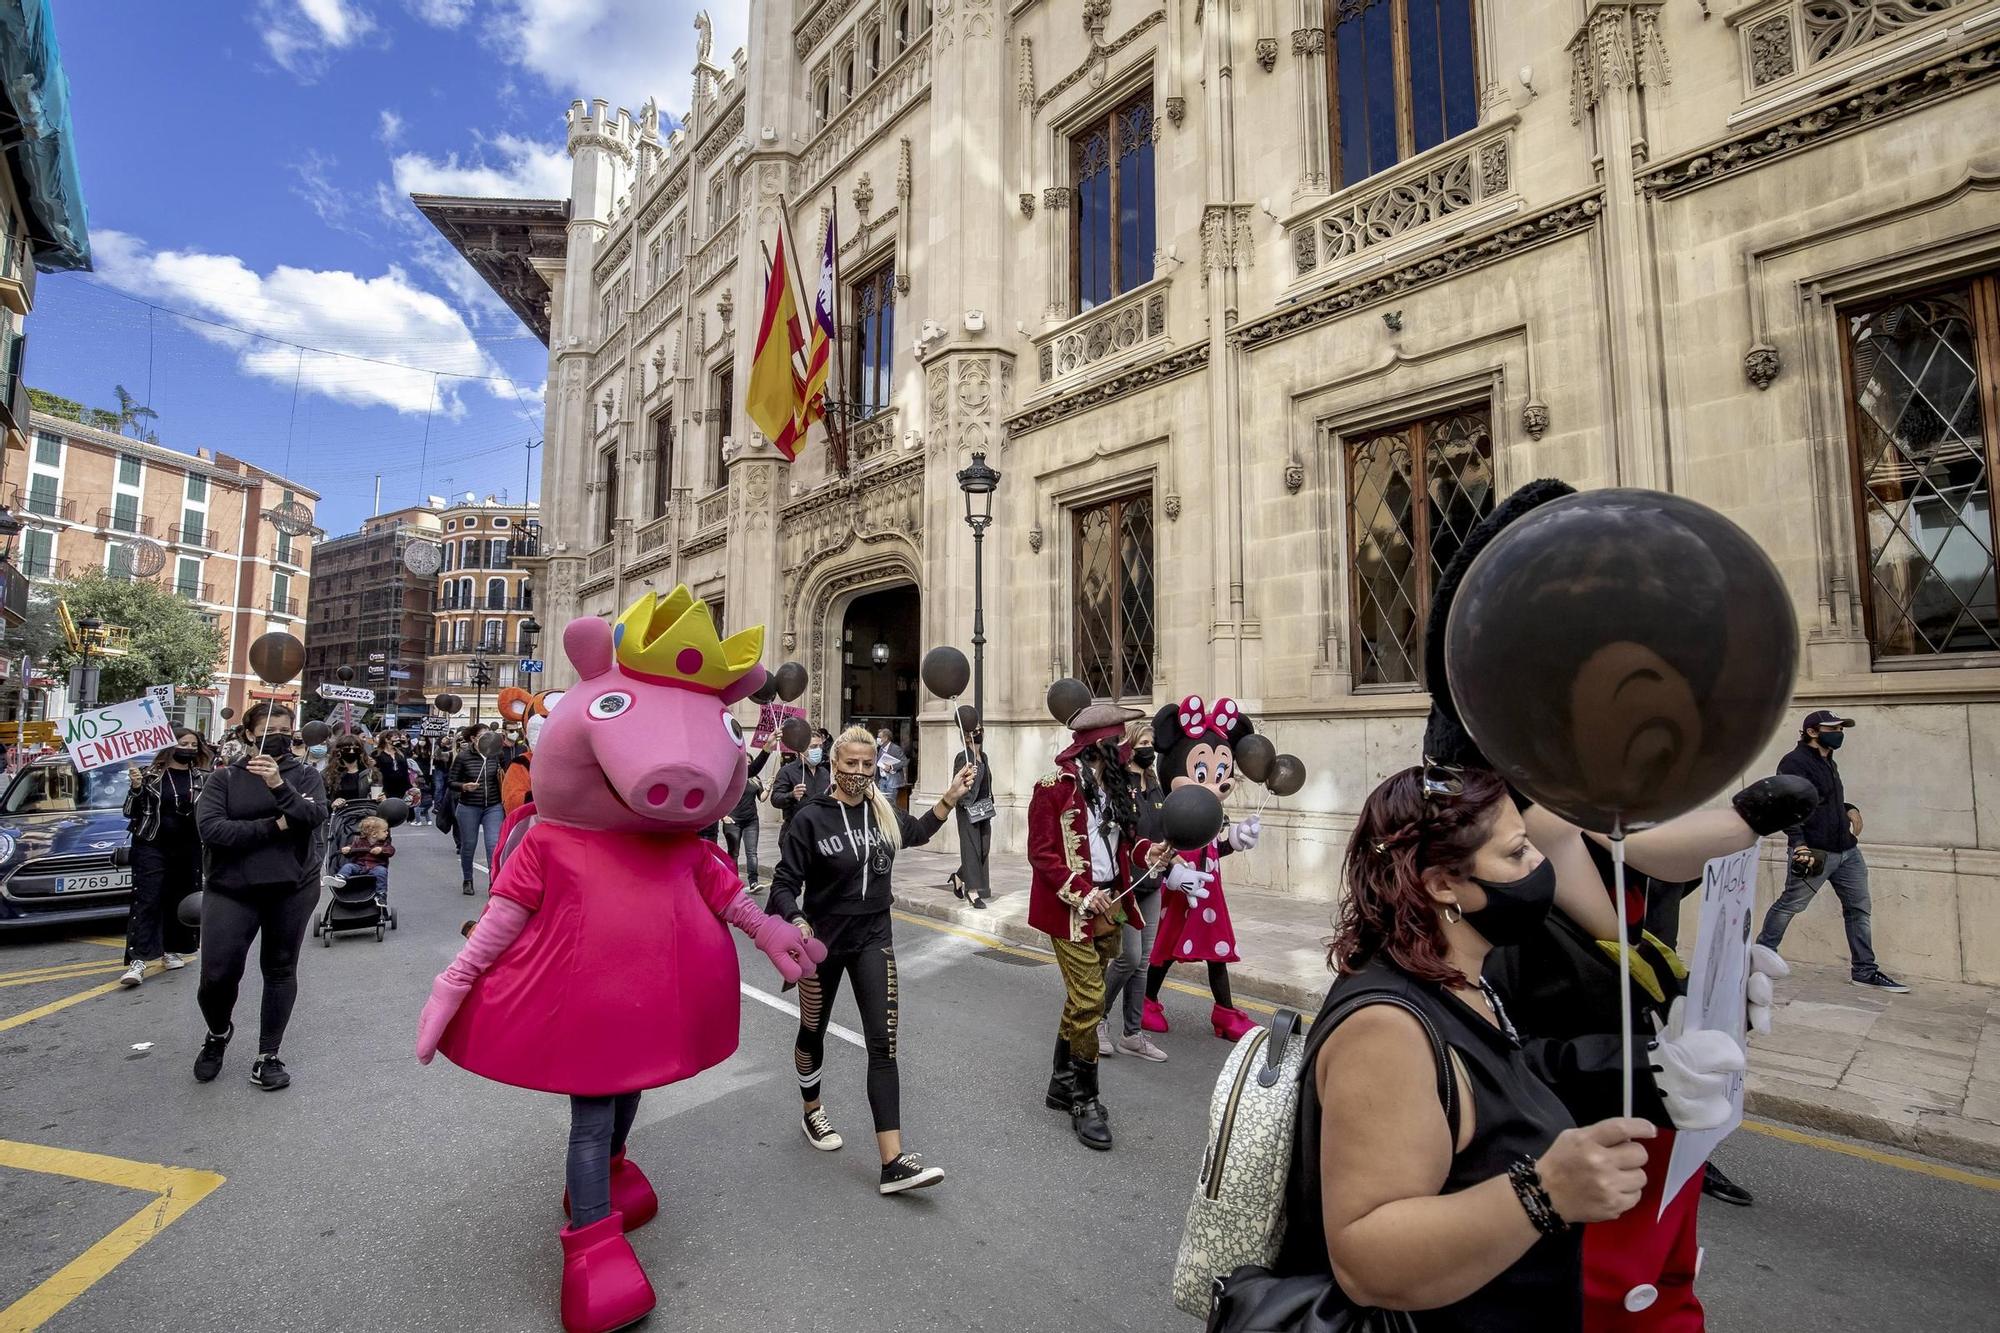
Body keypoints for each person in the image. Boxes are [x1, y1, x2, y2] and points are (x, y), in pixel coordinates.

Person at [416, 587, 824, 1333]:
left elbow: (732, 897)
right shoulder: (549, 840)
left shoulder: (684, 846)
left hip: (652, 1010)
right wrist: (456, 979)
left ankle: (608, 1176)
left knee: (629, 1097)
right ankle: (591, 1244)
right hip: (584, 1012)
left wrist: (771, 932)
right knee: (592, 1114)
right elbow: (503, 917)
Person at [1271, 765, 1656, 1330]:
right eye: (1517, 852)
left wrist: (1654, 1063)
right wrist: (1544, 1194)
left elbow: (1507, 1077)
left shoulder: (1462, 978)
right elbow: (1367, 1259)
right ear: (1443, 883)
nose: (1539, 867)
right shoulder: (1386, 1030)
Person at [767, 725, 977, 1194]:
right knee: (812, 1030)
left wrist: (951, 794)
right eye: (851, 764)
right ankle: (812, 1110)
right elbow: (783, 883)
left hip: (873, 940)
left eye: (867, 765)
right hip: (822, 945)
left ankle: (892, 1161)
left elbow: (918, 831)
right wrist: (796, 918)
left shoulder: (883, 812)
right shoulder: (810, 818)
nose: (859, 773)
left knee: (883, 1043)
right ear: (834, 766)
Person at [1027, 700, 1148, 1150]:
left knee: (1082, 1001)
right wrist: (1082, 892)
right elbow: (1042, 855)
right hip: (1072, 910)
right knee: (1091, 999)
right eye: (1120, 743)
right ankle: (1085, 1100)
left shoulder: (1115, 786)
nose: (1127, 751)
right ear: (1099, 746)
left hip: (1110, 905)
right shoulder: (1052, 787)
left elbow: (1121, 845)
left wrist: (1147, 855)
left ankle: (1061, 1082)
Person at [192, 701, 328, 1091]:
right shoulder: (223, 780)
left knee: (281, 969)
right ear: (249, 734)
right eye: (269, 729)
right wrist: (274, 826)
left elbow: (311, 818)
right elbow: (214, 831)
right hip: (231, 888)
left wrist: (278, 786)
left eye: (285, 730)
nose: (278, 736)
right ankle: (218, 1033)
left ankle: (268, 1054)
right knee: (217, 975)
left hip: (291, 888)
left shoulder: (304, 777)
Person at [1140, 695, 1263, 1042]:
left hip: (1208, 893)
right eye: (1202, 772)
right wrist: (1175, 876)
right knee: (1163, 951)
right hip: (1178, 895)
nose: (1216, 782)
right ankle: (1148, 1001)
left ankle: (1224, 1012)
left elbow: (1211, 849)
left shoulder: (1211, 814)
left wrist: (1235, 840)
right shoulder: (1168, 811)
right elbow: (1157, 852)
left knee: (1215, 951)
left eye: (1222, 772)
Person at [1757, 710, 1906, 993]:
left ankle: (1864, 970)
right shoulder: (1794, 762)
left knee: (1859, 910)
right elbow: (1789, 806)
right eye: (1833, 728)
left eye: (1841, 729)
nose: (1839, 733)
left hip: (1847, 851)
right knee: (1790, 905)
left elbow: (1824, 801)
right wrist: (1798, 844)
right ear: (1812, 732)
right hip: (1814, 851)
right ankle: (1759, 959)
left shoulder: (1828, 760)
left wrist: (1848, 808)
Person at [119, 729, 213, 987]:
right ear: (171, 746)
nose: (190, 748)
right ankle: (138, 959)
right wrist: (137, 789)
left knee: (180, 898)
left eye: (194, 744)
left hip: (188, 848)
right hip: (152, 845)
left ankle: (170, 949)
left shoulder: (202, 777)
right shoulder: (150, 775)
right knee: (147, 899)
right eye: (184, 743)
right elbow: (129, 812)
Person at [1100, 721, 1168, 1061]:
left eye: (1151, 743)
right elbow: (1121, 837)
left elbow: (1166, 826)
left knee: (1143, 962)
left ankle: (1133, 1033)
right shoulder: (1118, 786)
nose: (1148, 748)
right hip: (1127, 885)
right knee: (1127, 956)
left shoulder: (1155, 785)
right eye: (1143, 742)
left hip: (1153, 882)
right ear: (1129, 746)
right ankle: (1098, 1017)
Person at [450, 731, 506, 894]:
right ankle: (468, 879)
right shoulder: (463, 757)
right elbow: (451, 781)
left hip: (493, 806)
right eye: (483, 736)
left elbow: (506, 775)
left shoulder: (497, 755)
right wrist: (463, 786)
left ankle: (493, 882)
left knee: (493, 844)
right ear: (474, 739)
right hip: (469, 806)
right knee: (469, 845)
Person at [946, 721, 994, 909]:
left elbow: (987, 783)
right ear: (966, 736)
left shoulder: (984, 757)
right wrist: (968, 776)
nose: (979, 732)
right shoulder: (963, 757)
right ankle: (972, 892)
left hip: (984, 809)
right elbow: (957, 783)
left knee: (983, 849)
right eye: (975, 731)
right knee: (971, 850)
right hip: (967, 809)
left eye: (980, 730)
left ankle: (958, 877)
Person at [723, 733, 776, 889]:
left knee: (752, 852)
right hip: (733, 820)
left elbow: (763, 797)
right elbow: (720, 799)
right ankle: (731, 882)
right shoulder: (731, 777)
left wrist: (768, 787)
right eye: (744, 762)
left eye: (749, 762)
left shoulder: (755, 779)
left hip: (751, 820)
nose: (747, 765)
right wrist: (723, 816)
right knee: (733, 853)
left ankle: (753, 881)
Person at [770, 727, 833, 828]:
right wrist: (792, 795)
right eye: (813, 747)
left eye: (820, 746)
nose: (818, 750)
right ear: (801, 749)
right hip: (795, 829)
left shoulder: (824, 773)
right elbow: (775, 799)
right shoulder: (787, 771)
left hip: (820, 830)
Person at [336, 814, 395, 905]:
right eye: (384, 831)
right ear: (374, 834)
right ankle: (340, 878)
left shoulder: (384, 843)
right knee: (348, 866)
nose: (387, 833)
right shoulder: (358, 841)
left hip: (375, 866)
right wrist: (348, 849)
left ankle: (381, 894)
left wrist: (381, 850)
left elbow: (391, 851)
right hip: (359, 866)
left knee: (381, 871)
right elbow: (352, 850)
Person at [324, 735, 380, 808]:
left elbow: (376, 794)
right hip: (339, 815)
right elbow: (321, 798)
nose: (352, 752)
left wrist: (380, 798)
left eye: (356, 749)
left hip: (365, 812)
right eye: (347, 749)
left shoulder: (370, 772)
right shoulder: (328, 774)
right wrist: (332, 803)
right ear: (339, 751)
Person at [875, 727, 906, 809]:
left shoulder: (896, 749)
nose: (878, 739)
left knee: (891, 805)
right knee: (882, 804)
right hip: (882, 780)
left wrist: (892, 767)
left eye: (879, 737)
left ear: (885, 738)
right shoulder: (880, 749)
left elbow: (904, 761)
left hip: (892, 781)